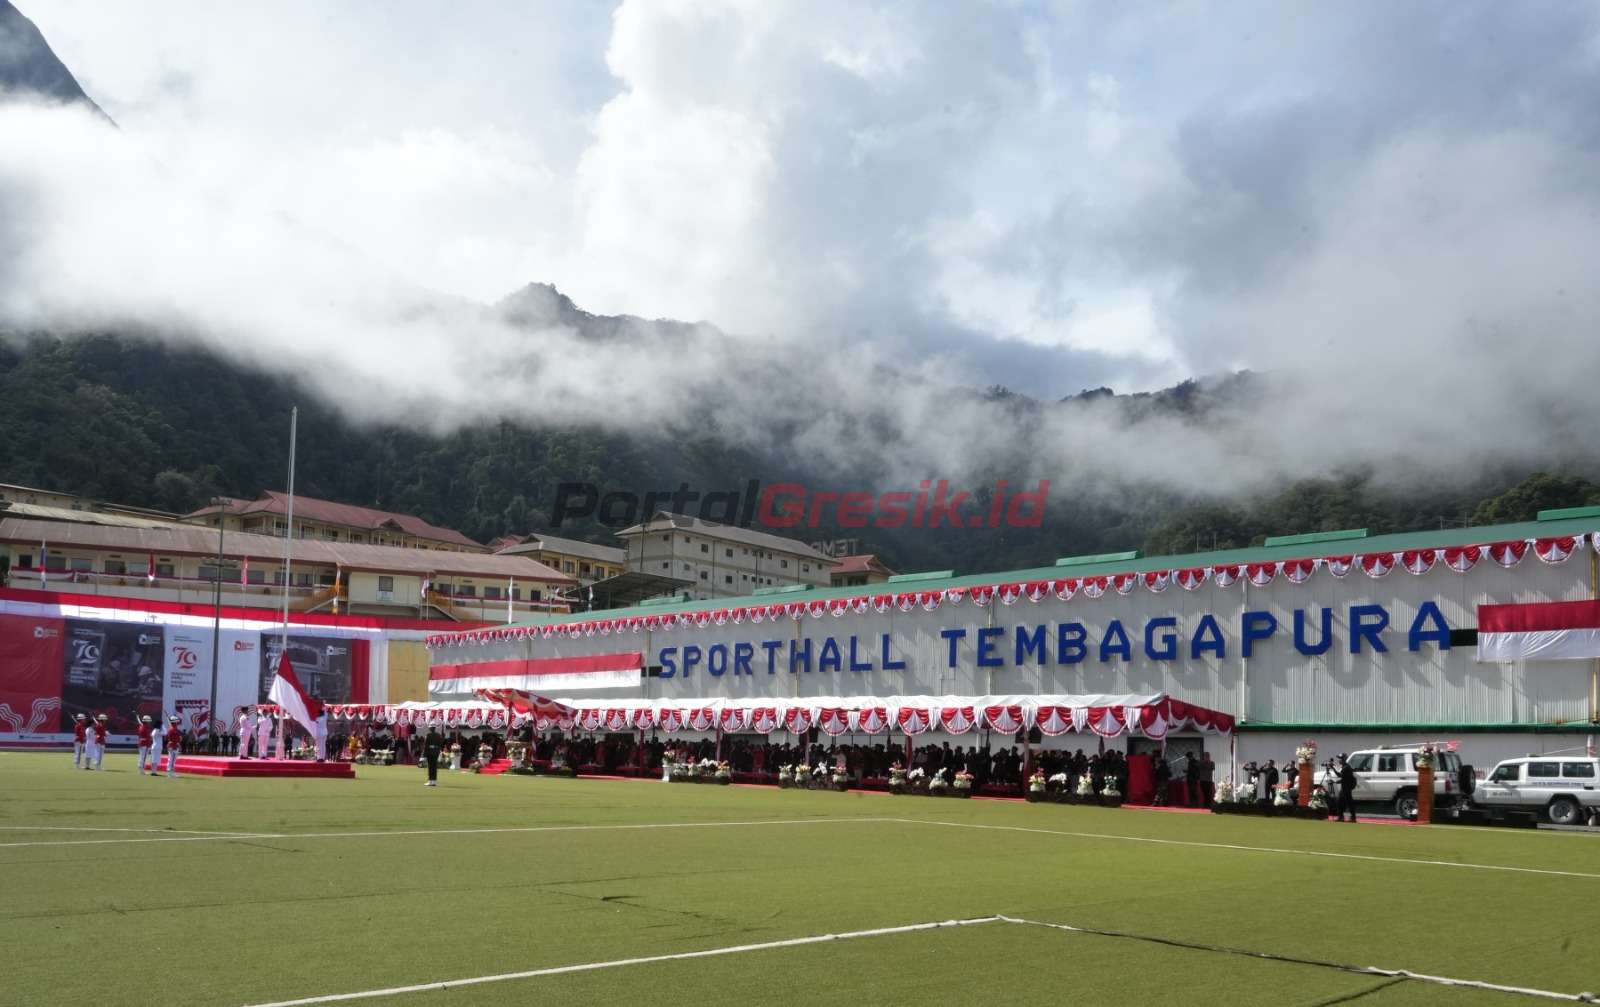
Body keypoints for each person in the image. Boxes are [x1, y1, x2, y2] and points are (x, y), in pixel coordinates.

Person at [1335, 754, 1359, 822]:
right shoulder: (1345, 767)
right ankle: (1341, 817)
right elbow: (1341, 775)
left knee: (1348, 803)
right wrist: (1333, 768)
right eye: (1339, 758)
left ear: (1344, 759)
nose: (1339, 760)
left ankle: (1352, 818)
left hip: (1346, 788)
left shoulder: (1346, 767)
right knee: (1341, 802)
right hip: (1345, 788)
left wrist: (1337, 781)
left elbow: (1344, 778)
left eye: (1340, 758)